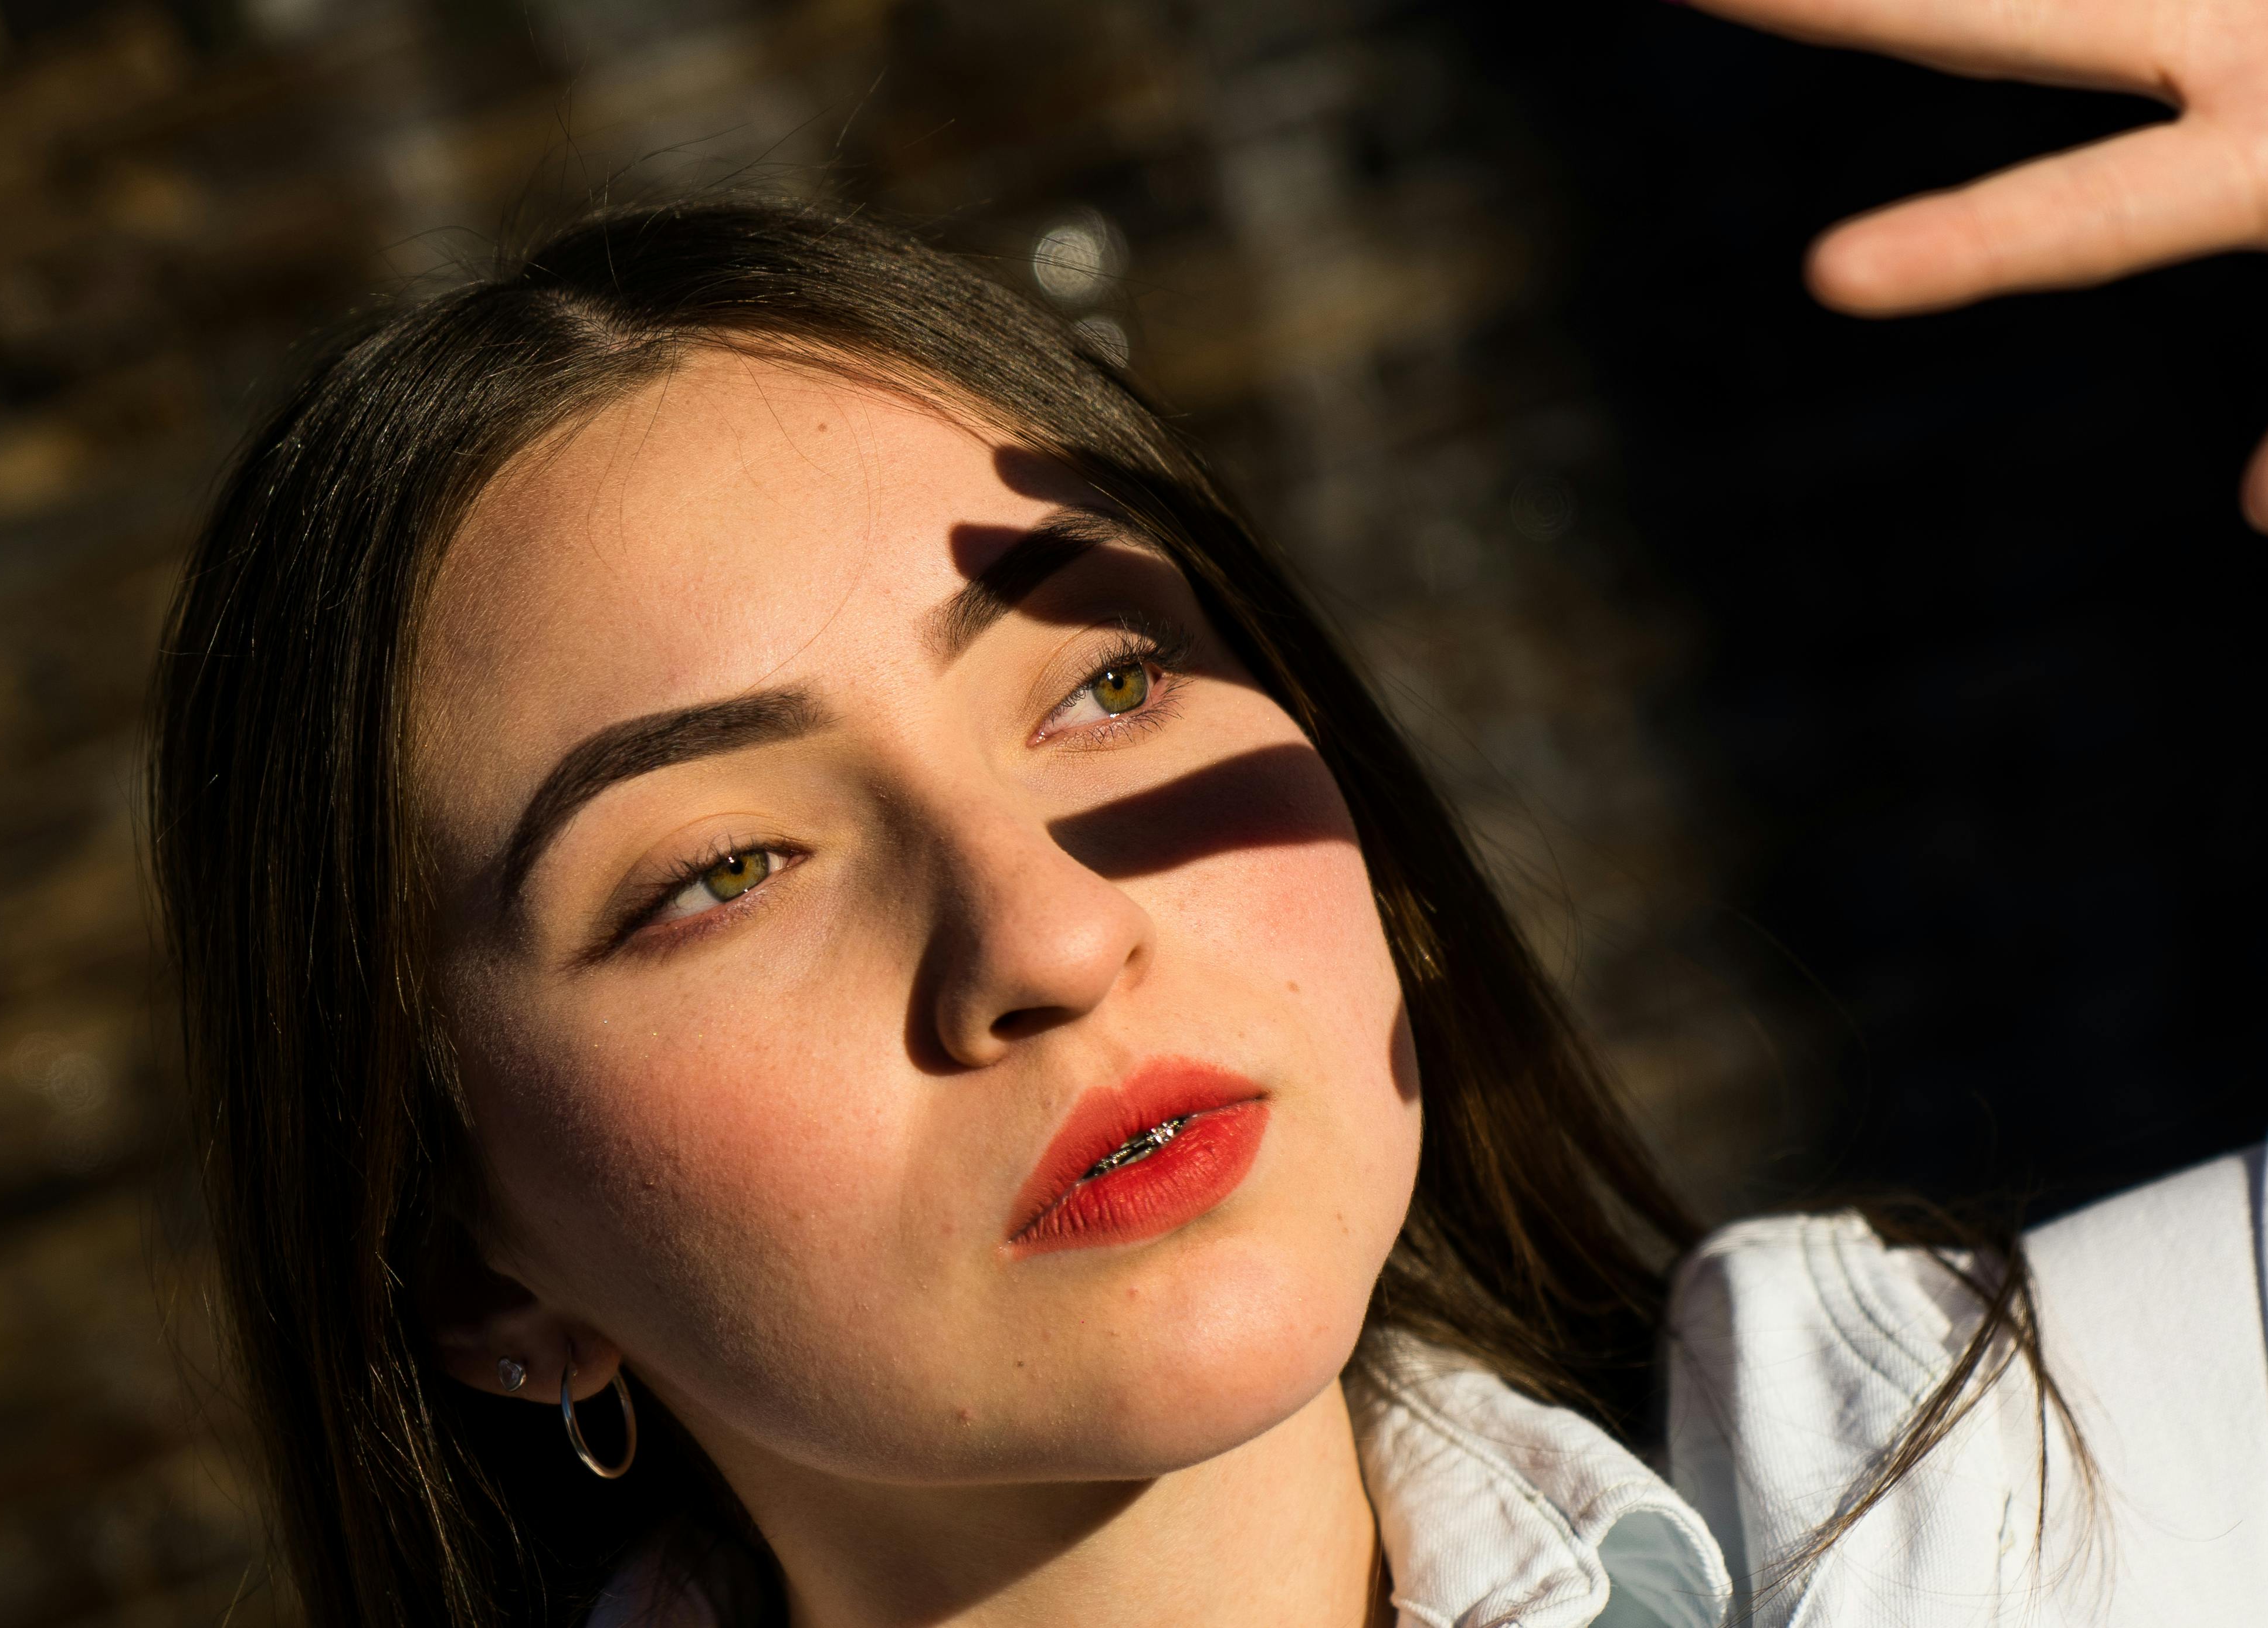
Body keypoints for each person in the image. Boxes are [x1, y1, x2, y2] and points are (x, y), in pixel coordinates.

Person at [144, 2, 2268, 1624]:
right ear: (462, 1264)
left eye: (1111, 687)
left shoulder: (2086, 1478)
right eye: (723, 870)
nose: (1047, 938)